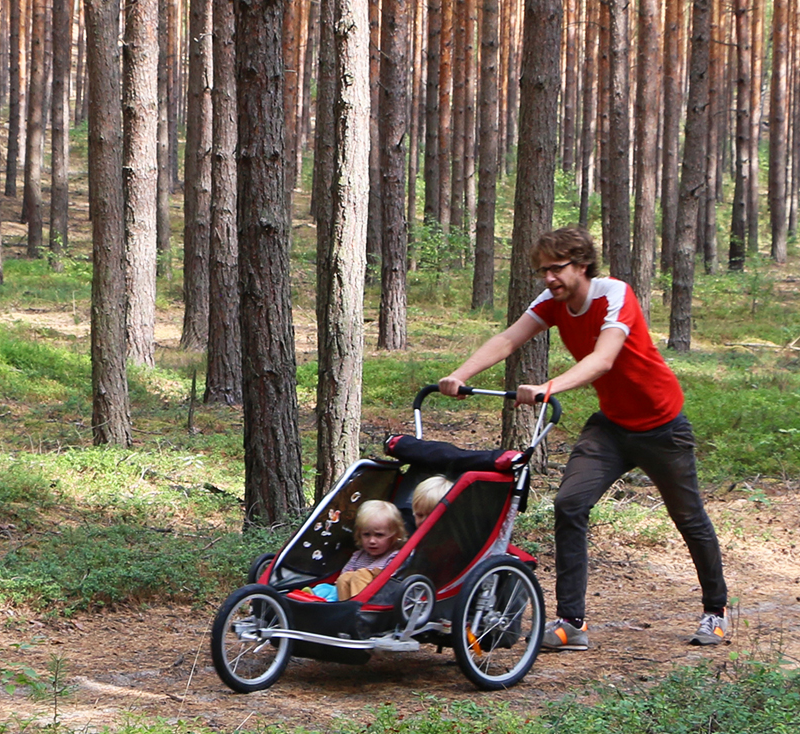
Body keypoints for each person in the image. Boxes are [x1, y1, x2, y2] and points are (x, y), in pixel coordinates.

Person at [437, 227, 729, 649]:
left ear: (581, 265)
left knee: (688, 518)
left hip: (662, 425)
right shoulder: (551, 303)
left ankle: (715, 611)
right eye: (542, 271)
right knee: (570, 504)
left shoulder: (614, 295)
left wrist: (547, 388)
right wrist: (460, 375)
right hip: (611, 427)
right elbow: (507, 339)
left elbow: (603, 359)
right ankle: (572, 622)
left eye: (556, 269)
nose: (549, 278)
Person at [306, 500, 408, 602]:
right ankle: (311, 596)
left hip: (372, 596)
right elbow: (343, 576)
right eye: (366, 535)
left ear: (394, 536)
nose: (372, 541)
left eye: (379, 535)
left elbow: (389, 582)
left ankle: (331, 603)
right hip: (345, 592)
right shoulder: (358, 555)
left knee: (360, 575)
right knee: (326, 587)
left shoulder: (394, 556)